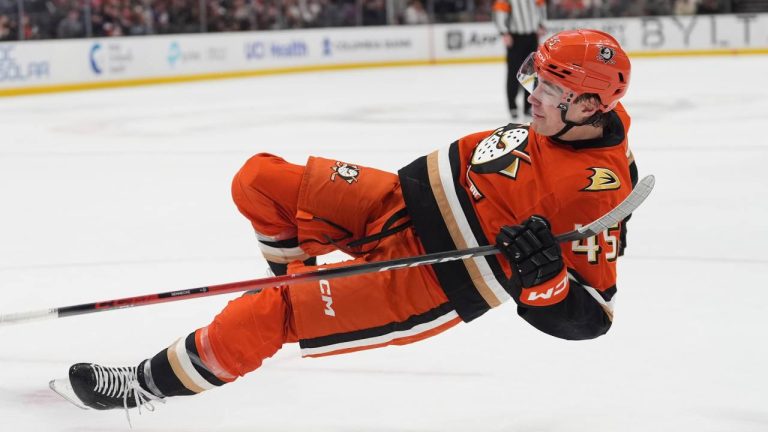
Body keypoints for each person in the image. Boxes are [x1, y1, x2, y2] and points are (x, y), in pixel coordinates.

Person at [57, 29, 639, 414]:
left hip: (431, 276)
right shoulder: (582, 121)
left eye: (550, 87)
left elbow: (590, 319)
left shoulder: (591, 192)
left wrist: (542, 280)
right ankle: (295, 282)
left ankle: (145, 384)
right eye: (536, 79)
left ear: (589, 105)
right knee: (259, 179)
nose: (533, 94)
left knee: (266, 312)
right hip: (403, 201)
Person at [493, 0, 547, 122]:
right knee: (513, 72)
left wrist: (541, 24)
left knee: (531, 72)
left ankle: (528, 106)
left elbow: (541, 8)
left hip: (532, 36)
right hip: (515, 37)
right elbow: (499, 14)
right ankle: (513, 106)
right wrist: (504, 32)